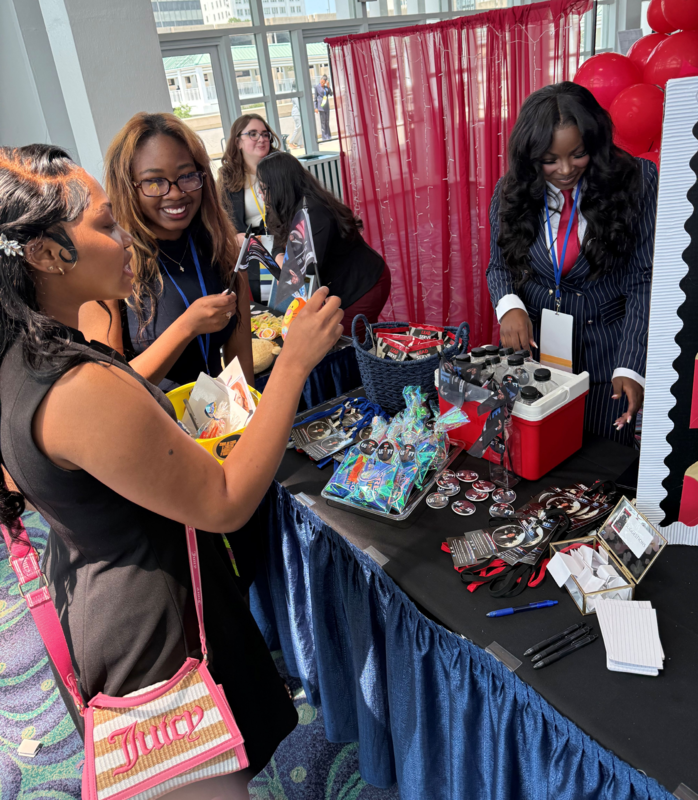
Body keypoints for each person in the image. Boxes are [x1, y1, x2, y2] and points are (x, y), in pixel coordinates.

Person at [0, 144, 343, 798]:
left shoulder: (28, 359)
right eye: (103, 224)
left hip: (112, 588)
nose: (124, 233)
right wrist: (293, 366)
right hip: (150, 631)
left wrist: (231, 385)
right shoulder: (74, 385)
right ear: (45, 253)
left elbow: (153, 444)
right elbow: (222, 501)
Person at [486, 81, 658, 446]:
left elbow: (644, 279)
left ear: (595, 142)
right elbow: (498, 266)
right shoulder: (510, 191)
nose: (565, 169)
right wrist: (508, 306)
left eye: (577, 154)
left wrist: (631, 364)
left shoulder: (637, 180)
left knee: (602, 468)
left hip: (607, 361)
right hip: (536, 361)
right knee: (539, 460)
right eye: (549, 160)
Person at [79, 112, 254, 391]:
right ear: (129, 188)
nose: (175, 193)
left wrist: (244, 421)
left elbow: (240, 359)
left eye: (186, 176)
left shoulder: (222, 250)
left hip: (216, 426)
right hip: (153, 426)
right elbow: (110, 387)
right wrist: (187, 327)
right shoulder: (107, 268)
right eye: (153, 182)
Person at [257, 151, 391, 336]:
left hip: (364, 284)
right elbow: (277, 242)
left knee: (345, 342)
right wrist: (282, 257)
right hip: (339, 283)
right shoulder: (288, 207)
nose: (260, 193)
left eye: (264, 188)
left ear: (279, 187)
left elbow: (302, 271)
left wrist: (282, 260)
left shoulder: (314, 212)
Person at [218, 114, 282, 302]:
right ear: (238, 141)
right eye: (253, 134)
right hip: (252, 249)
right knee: (266, 306)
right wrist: (233, 237)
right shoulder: (227, 176)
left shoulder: (281, 168)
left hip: (283, 244)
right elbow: (222, 220)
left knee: (290, 302)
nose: (261, 139)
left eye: (264, 134)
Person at [314, 74, 333, 142]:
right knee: (323, 122)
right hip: (321, 106)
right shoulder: (317, 87)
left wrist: (328, 86)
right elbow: (315, 98)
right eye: (321, 81)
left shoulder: (326, 88)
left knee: (327, 121)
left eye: (323, 82)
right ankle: (324, 137)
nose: (322, 83)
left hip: (326, 106)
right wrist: (315, 107)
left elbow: (330, 94)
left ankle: (328, 135)